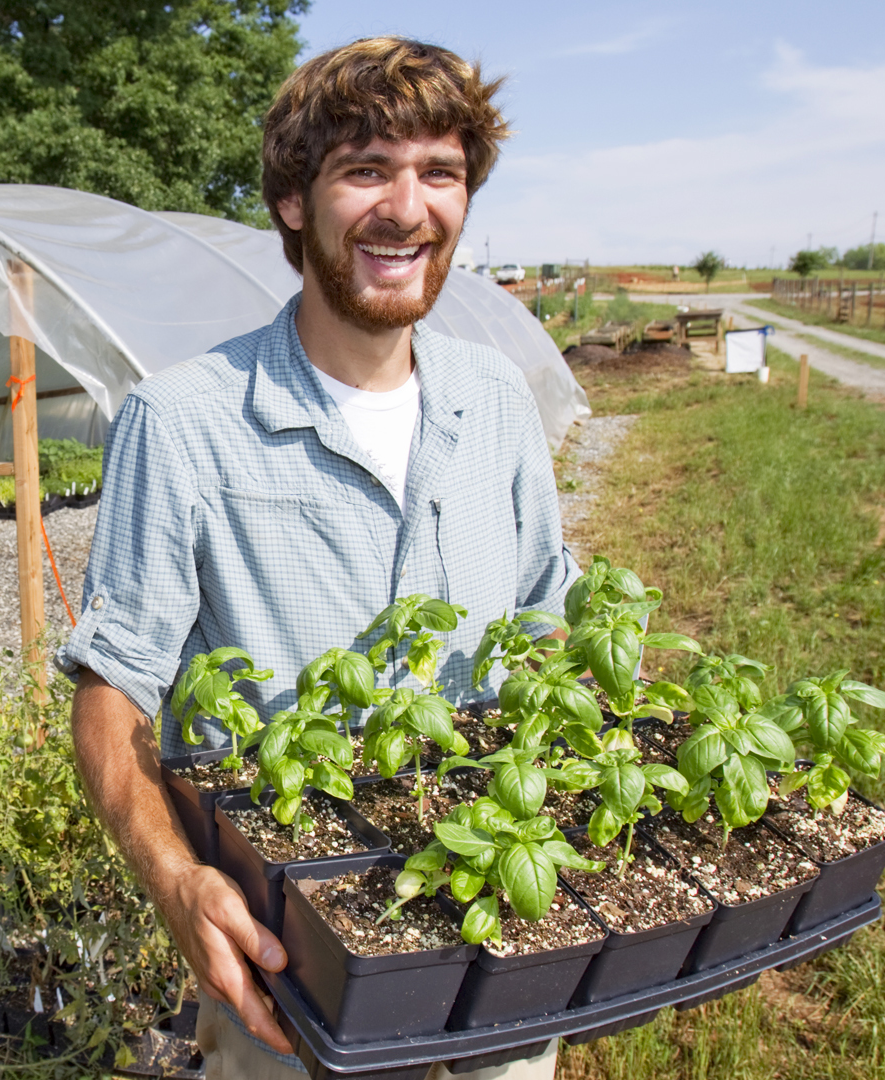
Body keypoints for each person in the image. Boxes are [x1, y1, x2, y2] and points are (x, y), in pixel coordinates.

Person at [61, 37, 575, 1080]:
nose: (406, 206)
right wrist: (175, 881)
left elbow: (545, 620)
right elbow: (112, 697)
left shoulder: (498, 403)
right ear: (295, 201)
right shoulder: (184, 423)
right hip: (294, 974)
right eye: (365, 170)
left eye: (439, 171)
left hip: (495, 932)